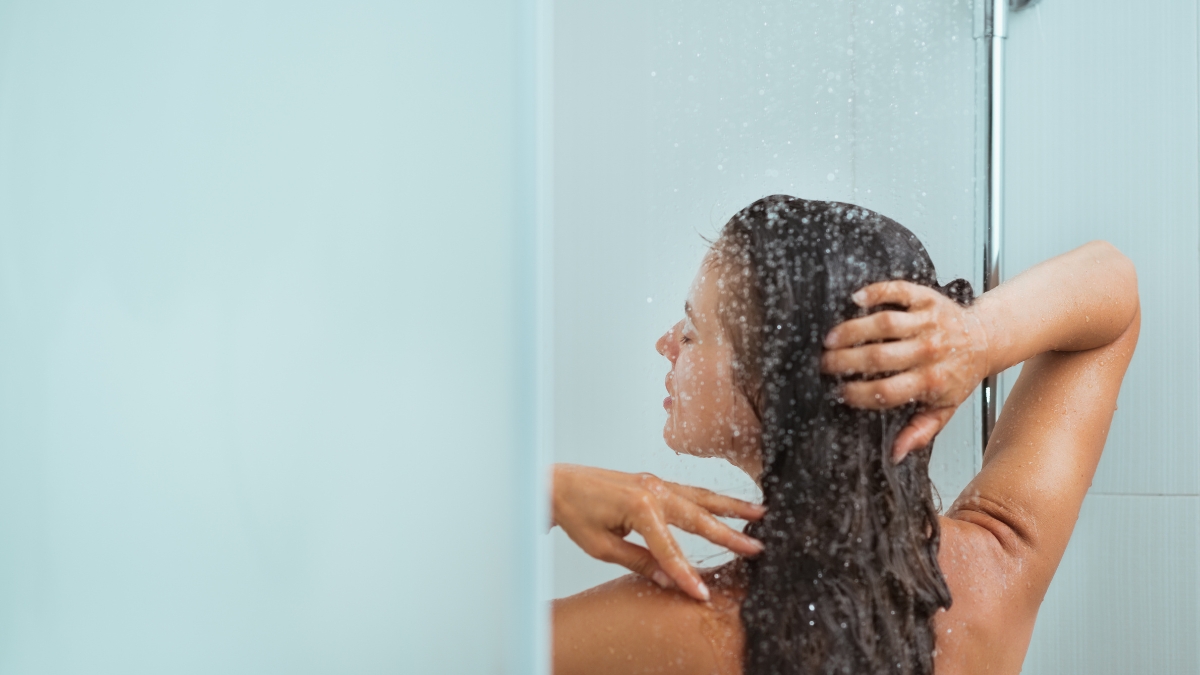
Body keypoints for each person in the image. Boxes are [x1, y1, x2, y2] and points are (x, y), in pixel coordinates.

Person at [550, 196, 1139, 675]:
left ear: (781, 390)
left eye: (694, 329)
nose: (666, 343)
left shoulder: (678, 627)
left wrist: (546, 491)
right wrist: (977, 337)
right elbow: (1112, 287)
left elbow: (458, 644)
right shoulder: (998, 563)